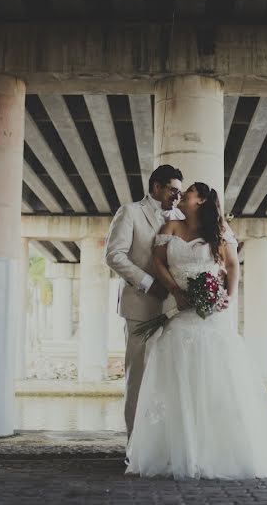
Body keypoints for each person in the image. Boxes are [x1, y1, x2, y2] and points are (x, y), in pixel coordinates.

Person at [125, 182, 267, 479]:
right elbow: (158, 261)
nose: (183, 195)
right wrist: (174, 290)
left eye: (189, 191)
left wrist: (226, 296)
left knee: (217, 380)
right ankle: (178, 450)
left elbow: (232, 265)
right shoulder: (172, 225)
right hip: (179, 310)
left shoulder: (218, 229)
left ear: (201, 200)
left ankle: (214, 449)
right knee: (176, 378)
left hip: (211, 315)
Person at [105, 164, 184, 439]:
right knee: (138, 377)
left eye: (180, 192)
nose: (177, 196)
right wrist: (149, 284)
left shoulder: (180, 217)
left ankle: (162, 443)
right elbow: (115, 255)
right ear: (156, 187)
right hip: (139, 307)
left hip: (175, 312)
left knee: (169, 378)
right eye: (173, 190)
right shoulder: (130, 212)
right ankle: (135, 447)